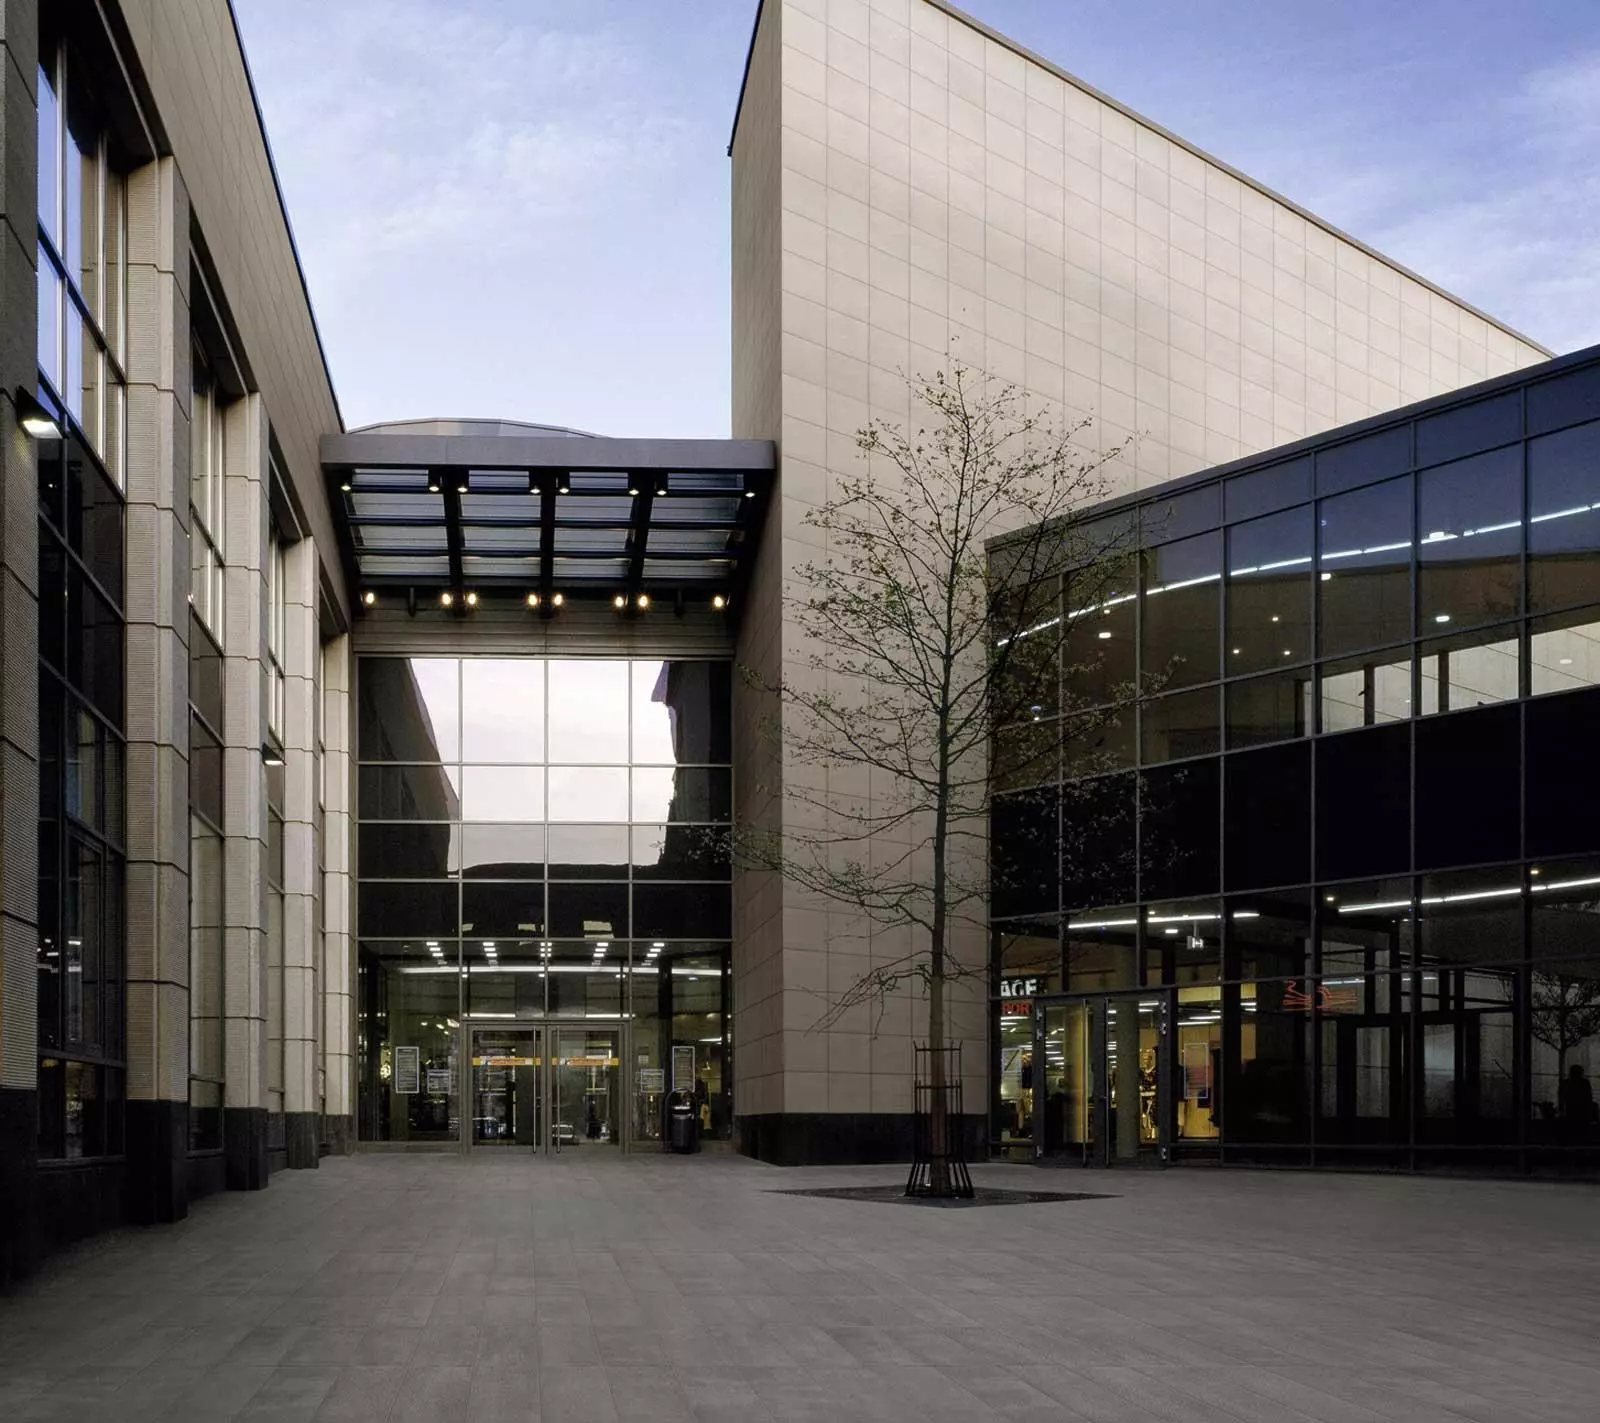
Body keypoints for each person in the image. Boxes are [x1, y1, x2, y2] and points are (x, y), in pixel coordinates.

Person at [1558, 1064, 1595, 1138]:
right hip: (1583, 1109)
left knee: (1573, 1127)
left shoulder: (1566, 1083)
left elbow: (1561, 1096)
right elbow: (1589, 1097)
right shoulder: (1585, 1083)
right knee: (1582, 1129)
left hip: (1571, 1108)